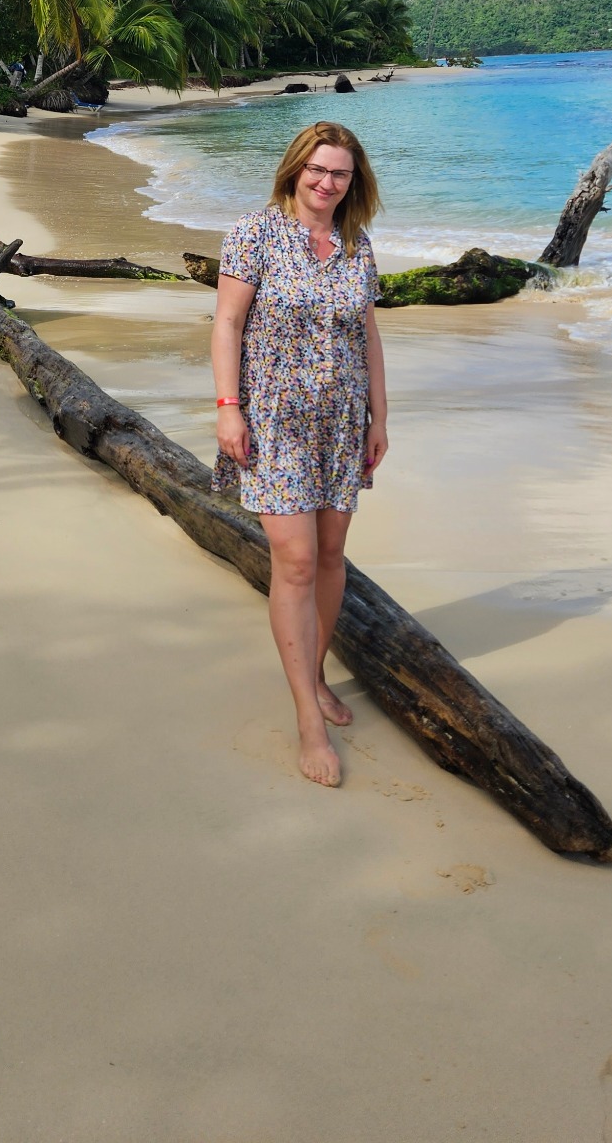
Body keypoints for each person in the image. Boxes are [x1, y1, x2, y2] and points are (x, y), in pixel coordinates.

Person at [210, 120, 389, 787]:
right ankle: (307, 724)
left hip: (341, 422)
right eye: (317, 169)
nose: (326, 181)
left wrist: (380, 415)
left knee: (333, 556)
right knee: (296, 561)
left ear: (353, 181)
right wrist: (229, 407)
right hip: (274, 421)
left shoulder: (355, 244)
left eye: (339, 172)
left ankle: (313, 677)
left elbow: (367, 333)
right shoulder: (253, 232)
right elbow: (227, 323)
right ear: (294, 170)